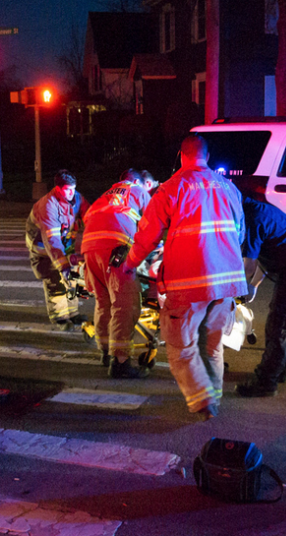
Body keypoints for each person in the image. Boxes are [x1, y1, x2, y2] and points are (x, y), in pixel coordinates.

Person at [124, 135, 247, 420]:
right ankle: (213, 395)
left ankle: (203, 400)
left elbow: (146, 237)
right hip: (227, 280)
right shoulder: (229, 187)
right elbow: (239, 233)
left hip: (189, 282)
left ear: (181, 155)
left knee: (180, 344)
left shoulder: (170, 189)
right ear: (207, 155)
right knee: (214, 344)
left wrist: (129, 264)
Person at [235, 195, 286, 397]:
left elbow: (249, 264)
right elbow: (269, 255)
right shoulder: (257, 210)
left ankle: (265, 383)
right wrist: (253, 286)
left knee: (279, 327)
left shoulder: (251, 218)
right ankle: (280, 370)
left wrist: (234, 288)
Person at [81, 169, 153, 378]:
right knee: (125, 303)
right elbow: (151, 224)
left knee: (103, 301)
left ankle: (105, 352)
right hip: (116, 246)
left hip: (90, 246)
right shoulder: (138, 190)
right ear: (138, 181)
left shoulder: (107, 194)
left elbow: (89, 218)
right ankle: (120, 362)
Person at [25, 170, 90, 331]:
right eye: (68, 189)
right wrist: (63, 266)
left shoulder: (77, 198)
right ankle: (60, 318)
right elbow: (52, 241)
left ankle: (73, 314)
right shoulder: (47, 206)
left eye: (74, 188)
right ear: (58, 188)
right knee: (55, 280)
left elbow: (90, 216)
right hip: (44, 249)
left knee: (72, 279)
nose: (72, 193)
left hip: (63, 245)